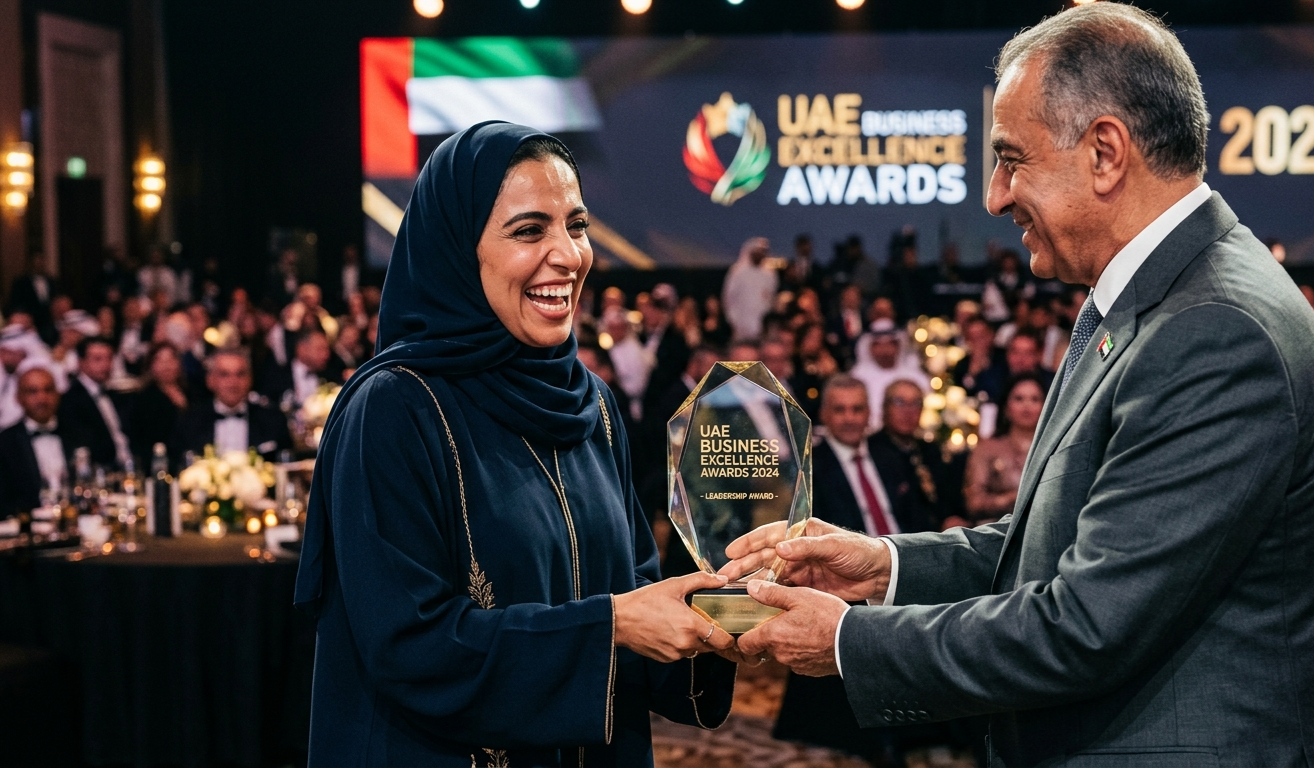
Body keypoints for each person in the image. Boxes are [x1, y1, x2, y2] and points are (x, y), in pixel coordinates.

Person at [721, 6, 1314, 765]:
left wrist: (845, 640)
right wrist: (886, 567)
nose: (995, 196)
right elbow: (1058, 542)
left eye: (1010, 158)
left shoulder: (1213, 329)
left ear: (1105, 152)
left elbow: (1088, 625)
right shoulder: (1156, 298)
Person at [293, 123, 739, 767]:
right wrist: (611, 625)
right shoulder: (396, 408)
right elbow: (409, 644)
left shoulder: (593, 406)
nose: (569, 254)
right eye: (530, 231)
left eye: (577, 225)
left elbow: (636, 593)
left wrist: (727, 612)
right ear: (456, 249)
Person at [948, 373, 1046, 529]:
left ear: (1046, 406)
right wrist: (1016, 498)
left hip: (1045, 529)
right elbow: (974, 503)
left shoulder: (1054, 448)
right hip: (995, 532)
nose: (1027, 405)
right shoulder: (987, 449)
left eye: (1035, 399)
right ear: (1006, 407)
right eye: (1019, 399)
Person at [171, 349, 291, 467]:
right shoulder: (190, 422)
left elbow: (285, 465)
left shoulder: (273, 420)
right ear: (210, 380)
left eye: (240, 374)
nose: (233, 383)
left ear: (250, 379)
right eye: (224, 375)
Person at [0, 367, 68, 518]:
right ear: (18, 398)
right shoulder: (5, 443)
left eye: (48, 390)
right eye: (32, 391)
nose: (42, 399)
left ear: (57, 394)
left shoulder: (77, 432)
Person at [58, 337, 133, 469]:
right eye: (98, 359)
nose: (106, 365)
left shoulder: (114, 394)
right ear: (81, 362)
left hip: (129, 467)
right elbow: (86, 448)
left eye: (109, 358)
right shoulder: (71, 401)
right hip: (102, 472)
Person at [850, 319, 929, 430]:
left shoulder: (916, 377)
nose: (884, 350)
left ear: (898, 346)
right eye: (878, 345)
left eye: (890, 344)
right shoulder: (856, 378)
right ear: (869, 347)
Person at [129, 343, 190, 461]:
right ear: (151, 366)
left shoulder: (193, 392)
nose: (167, 366)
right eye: (160, 360)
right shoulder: (144, 399)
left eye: (171, 359)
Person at [721, 237, 778, 342]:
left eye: (763, 252)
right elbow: (729, 298)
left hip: (763, 326)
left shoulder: (769, 274)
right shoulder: (737, 272)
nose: (761, 255)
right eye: (758, 252)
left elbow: (770, 297)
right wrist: (734, 321)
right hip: (740, 324)